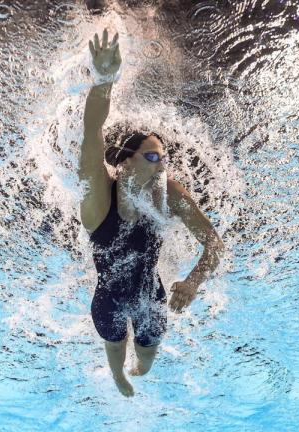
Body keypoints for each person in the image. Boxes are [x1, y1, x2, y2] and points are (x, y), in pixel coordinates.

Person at [79, 28, 225, 397]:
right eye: (153, 156)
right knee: (114, 347)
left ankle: (136, 368)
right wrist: (103, 81)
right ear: (126, 162)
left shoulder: (169, 194)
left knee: (146, 359)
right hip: (108, 299)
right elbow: (91, 132)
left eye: (165, 158)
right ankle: (117, 376)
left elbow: (214, 245)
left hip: (151, 299)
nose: (162, 165)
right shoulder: (99, 198)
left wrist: (192, 282)